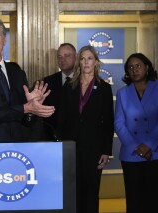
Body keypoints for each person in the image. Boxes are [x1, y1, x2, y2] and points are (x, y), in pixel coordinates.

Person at [57, 45, 114, 213]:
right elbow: (62, 117)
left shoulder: (103, 88)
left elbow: (108, 122)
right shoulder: (69, 86)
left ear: (96, 61)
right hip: (71, 146)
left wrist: (106, 151)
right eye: (82, 58)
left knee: (91, 191)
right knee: (73, 191)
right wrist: (60, 144)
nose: (86, 62)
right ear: (78, 62)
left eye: (89, 58)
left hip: (94, 148)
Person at [114, 53, 158, 213]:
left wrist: (149, 144)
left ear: (147, 67)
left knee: (154, 201)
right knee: (134, 202)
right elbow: (119, 123)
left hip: (155, 152)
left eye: (138, 66)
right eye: (130, 67)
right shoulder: (122, 93)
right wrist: (136, 146)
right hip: (131, 154)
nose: (134, 70)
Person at [43, 43, 76, 140]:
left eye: (67, 56)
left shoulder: (86, 81)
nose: (63, 60)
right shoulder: (47, 82)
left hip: (80, 142)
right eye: (59, 56)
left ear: (76, 57)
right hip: (53, 140)